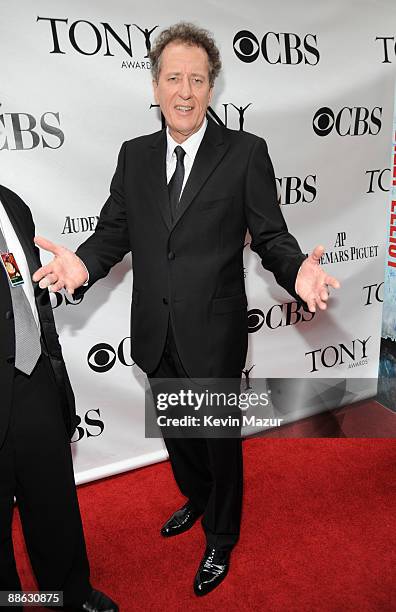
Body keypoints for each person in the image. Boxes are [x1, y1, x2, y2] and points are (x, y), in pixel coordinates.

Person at [32, 22, 340, 597]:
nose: (184, 90)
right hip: (154, 331)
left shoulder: (245, 153)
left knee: (219, 447)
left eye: (197, 79)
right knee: (178, 434)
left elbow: (272, 237)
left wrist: (296, 270)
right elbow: (111, 234)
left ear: (211, 87)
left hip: (214, 333)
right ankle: (196, 501)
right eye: (173, 78)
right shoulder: (135, 156)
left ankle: (222, 536)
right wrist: (83, 268)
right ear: (154, 86)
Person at [0, 184, 118, 611]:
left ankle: (70, 595)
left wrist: (71, 277)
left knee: (53, 502)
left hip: (33, 377)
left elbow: (24, 294)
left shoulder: (11, 203)